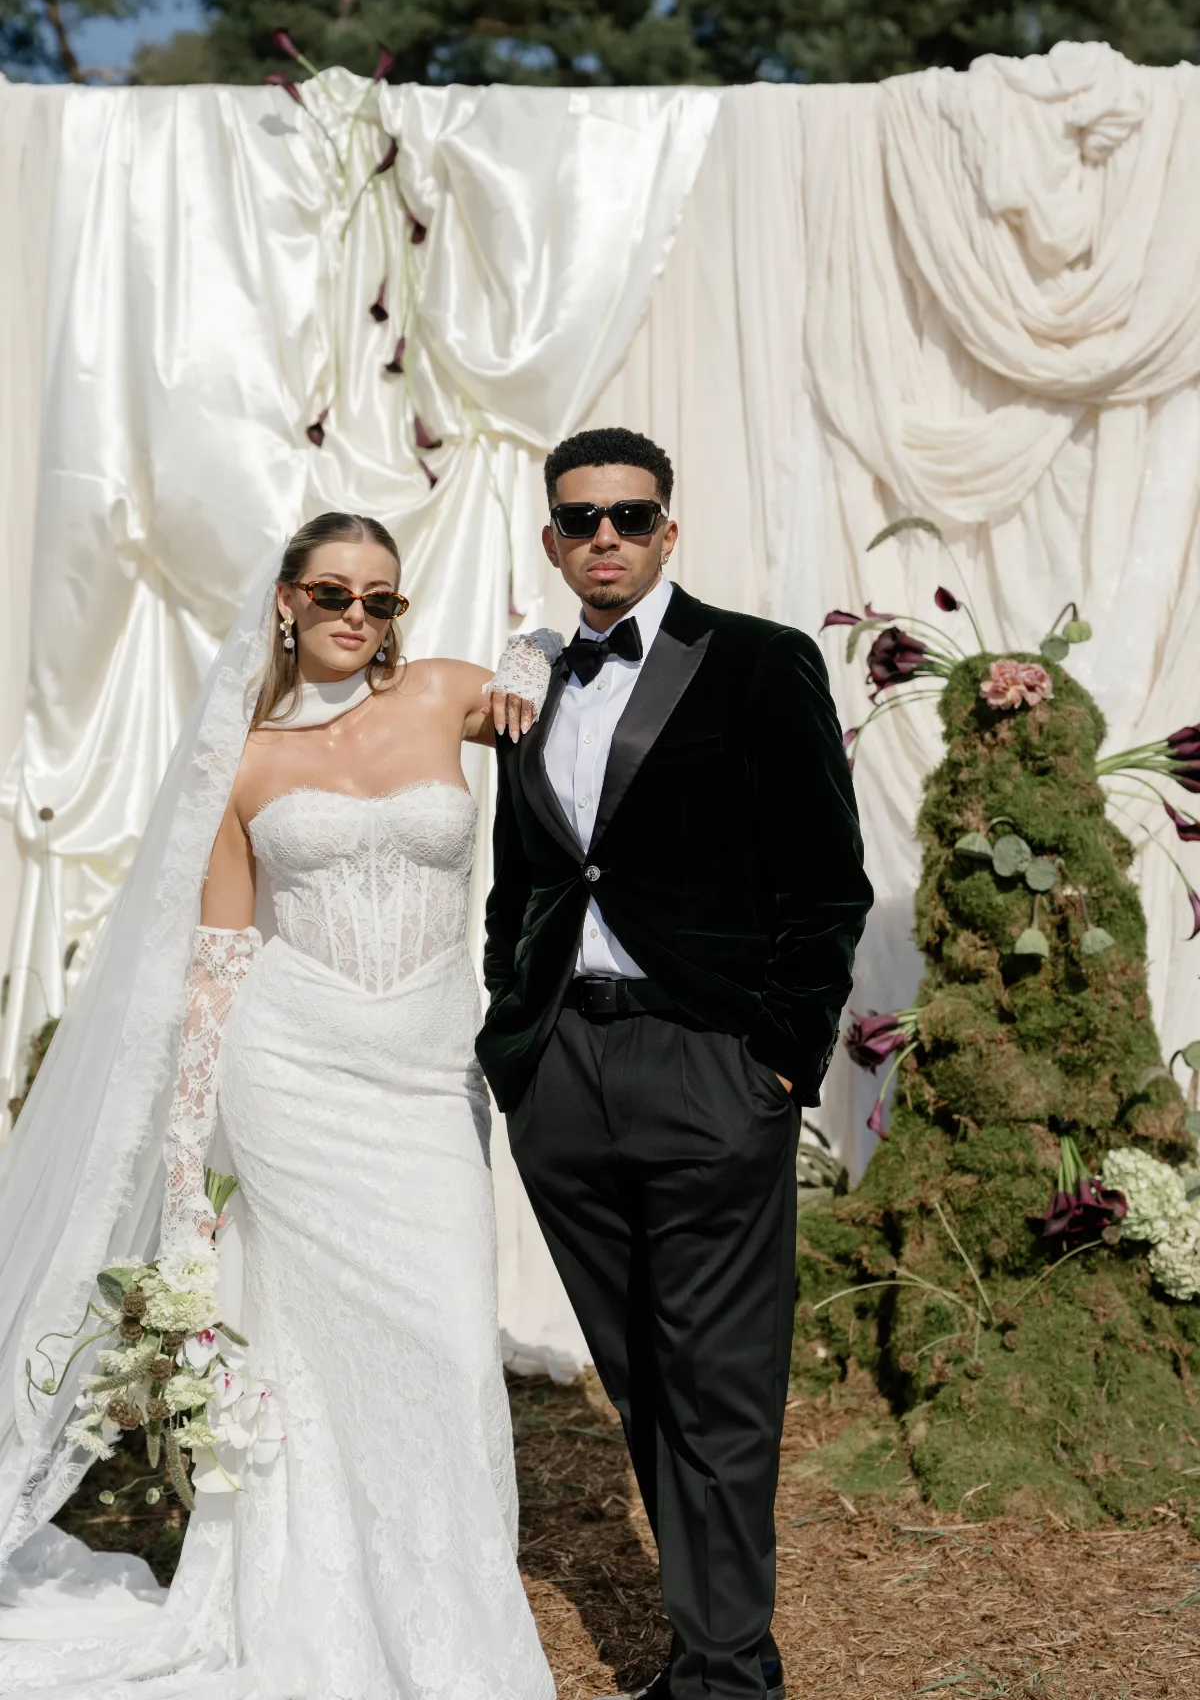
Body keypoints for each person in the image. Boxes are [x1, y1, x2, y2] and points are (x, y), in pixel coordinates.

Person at [0, 511, 558, 1700]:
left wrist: (533, 655)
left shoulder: (444, 696)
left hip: (423, 1076)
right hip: (290, 1076)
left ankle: (451, 1628)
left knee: (456, 1352)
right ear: (287, 603)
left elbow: (548, 646)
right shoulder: (242, 759)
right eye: (335, 593)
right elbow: (216, 962)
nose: (359, 615)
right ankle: (324, 1613)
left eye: (382, 598)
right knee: (311, 1368)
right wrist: (191, 1170)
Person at [477, 429, 874, 1700]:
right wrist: (511, 1035)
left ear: (668, 530)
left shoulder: (760, 663)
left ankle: (725, 1668)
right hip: (563, 1074)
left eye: (630, 516)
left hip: (707, 1064)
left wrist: (776, 1060)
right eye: (582, 519)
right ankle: (712, 1643)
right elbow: (526, 881)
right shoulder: (533, 682)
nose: (606, 537)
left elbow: (827, 885)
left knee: (720, 1374)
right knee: (642, 1367)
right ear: (552, 539)